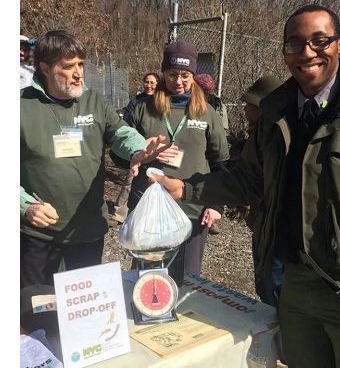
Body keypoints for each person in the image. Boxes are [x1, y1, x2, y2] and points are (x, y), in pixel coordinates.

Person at [149, 4, 340, 368]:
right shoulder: (276, 113)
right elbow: (248, 181)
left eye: (320, 41)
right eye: (295, 44)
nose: (307, 53)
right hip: (296, 285)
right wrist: (186, 189)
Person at [20, 29, 170, 288]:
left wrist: (138, 150)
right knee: (38, 312)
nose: (79, 73)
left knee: (83, 312)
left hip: (86, 231)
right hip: (38, 235)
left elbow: (121, 133)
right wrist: (24, 205)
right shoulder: (20, 107)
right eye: (69, 66)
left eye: (81, 64)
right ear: (45, 68)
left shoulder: (95, 102)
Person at [124, 40, 230, 278]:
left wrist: (216, 205)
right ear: (163, 73)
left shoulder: (206, 113)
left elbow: (221, 163)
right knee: (146, 280)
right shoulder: (143, 109)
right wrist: (142, 153)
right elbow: (119, 154)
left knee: (186, 279)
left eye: (185, 75)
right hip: (148, 209)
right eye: (172, 74)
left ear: (193, 75)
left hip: (192, 209)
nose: (179, 82)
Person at [237, 75, 283, 307]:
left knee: (274, 290)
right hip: (262, 227)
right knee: (264, 285)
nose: (245, 110)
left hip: (276, 233)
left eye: (250, 105)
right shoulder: (257, 134)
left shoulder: (275, 138)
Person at [108, 72, 161, 228]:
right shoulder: (136, 103)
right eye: (146, 82)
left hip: (158, 148)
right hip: (139, 151)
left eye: (152, 82)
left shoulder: (162, 102)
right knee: (130, 181)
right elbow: (127, 126)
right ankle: (119, 214)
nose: (149, 85)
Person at [193, 73, 230, 235]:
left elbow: (222, 128)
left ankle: (211, 213)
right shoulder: (216, 102)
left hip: (213, 147)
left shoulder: (213, 106)